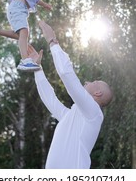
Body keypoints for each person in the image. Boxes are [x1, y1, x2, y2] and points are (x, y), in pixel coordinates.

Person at [28, 20, 113, 169]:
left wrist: (53, 42)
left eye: (94, 81)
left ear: (97, 93)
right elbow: (50, 99)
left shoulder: (94, 114)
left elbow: (67, 74)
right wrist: (37, 68)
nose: (87, 81)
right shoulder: (71, 117)